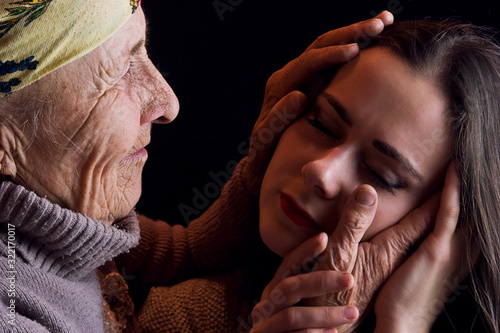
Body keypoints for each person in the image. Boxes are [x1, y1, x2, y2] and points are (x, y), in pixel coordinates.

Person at [0, 0, 394, 332]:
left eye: (143, 50)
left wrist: (255, 172)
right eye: (120, 70)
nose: (168, 103)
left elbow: (178, 257)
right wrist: (404, 322)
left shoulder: (53, 218)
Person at [135, 19, 500, 333]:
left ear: (445, 228)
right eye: (322, 124)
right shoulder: (192, 313)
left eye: (381, 174)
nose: (321, 172)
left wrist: (404, 321)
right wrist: (199, 244)